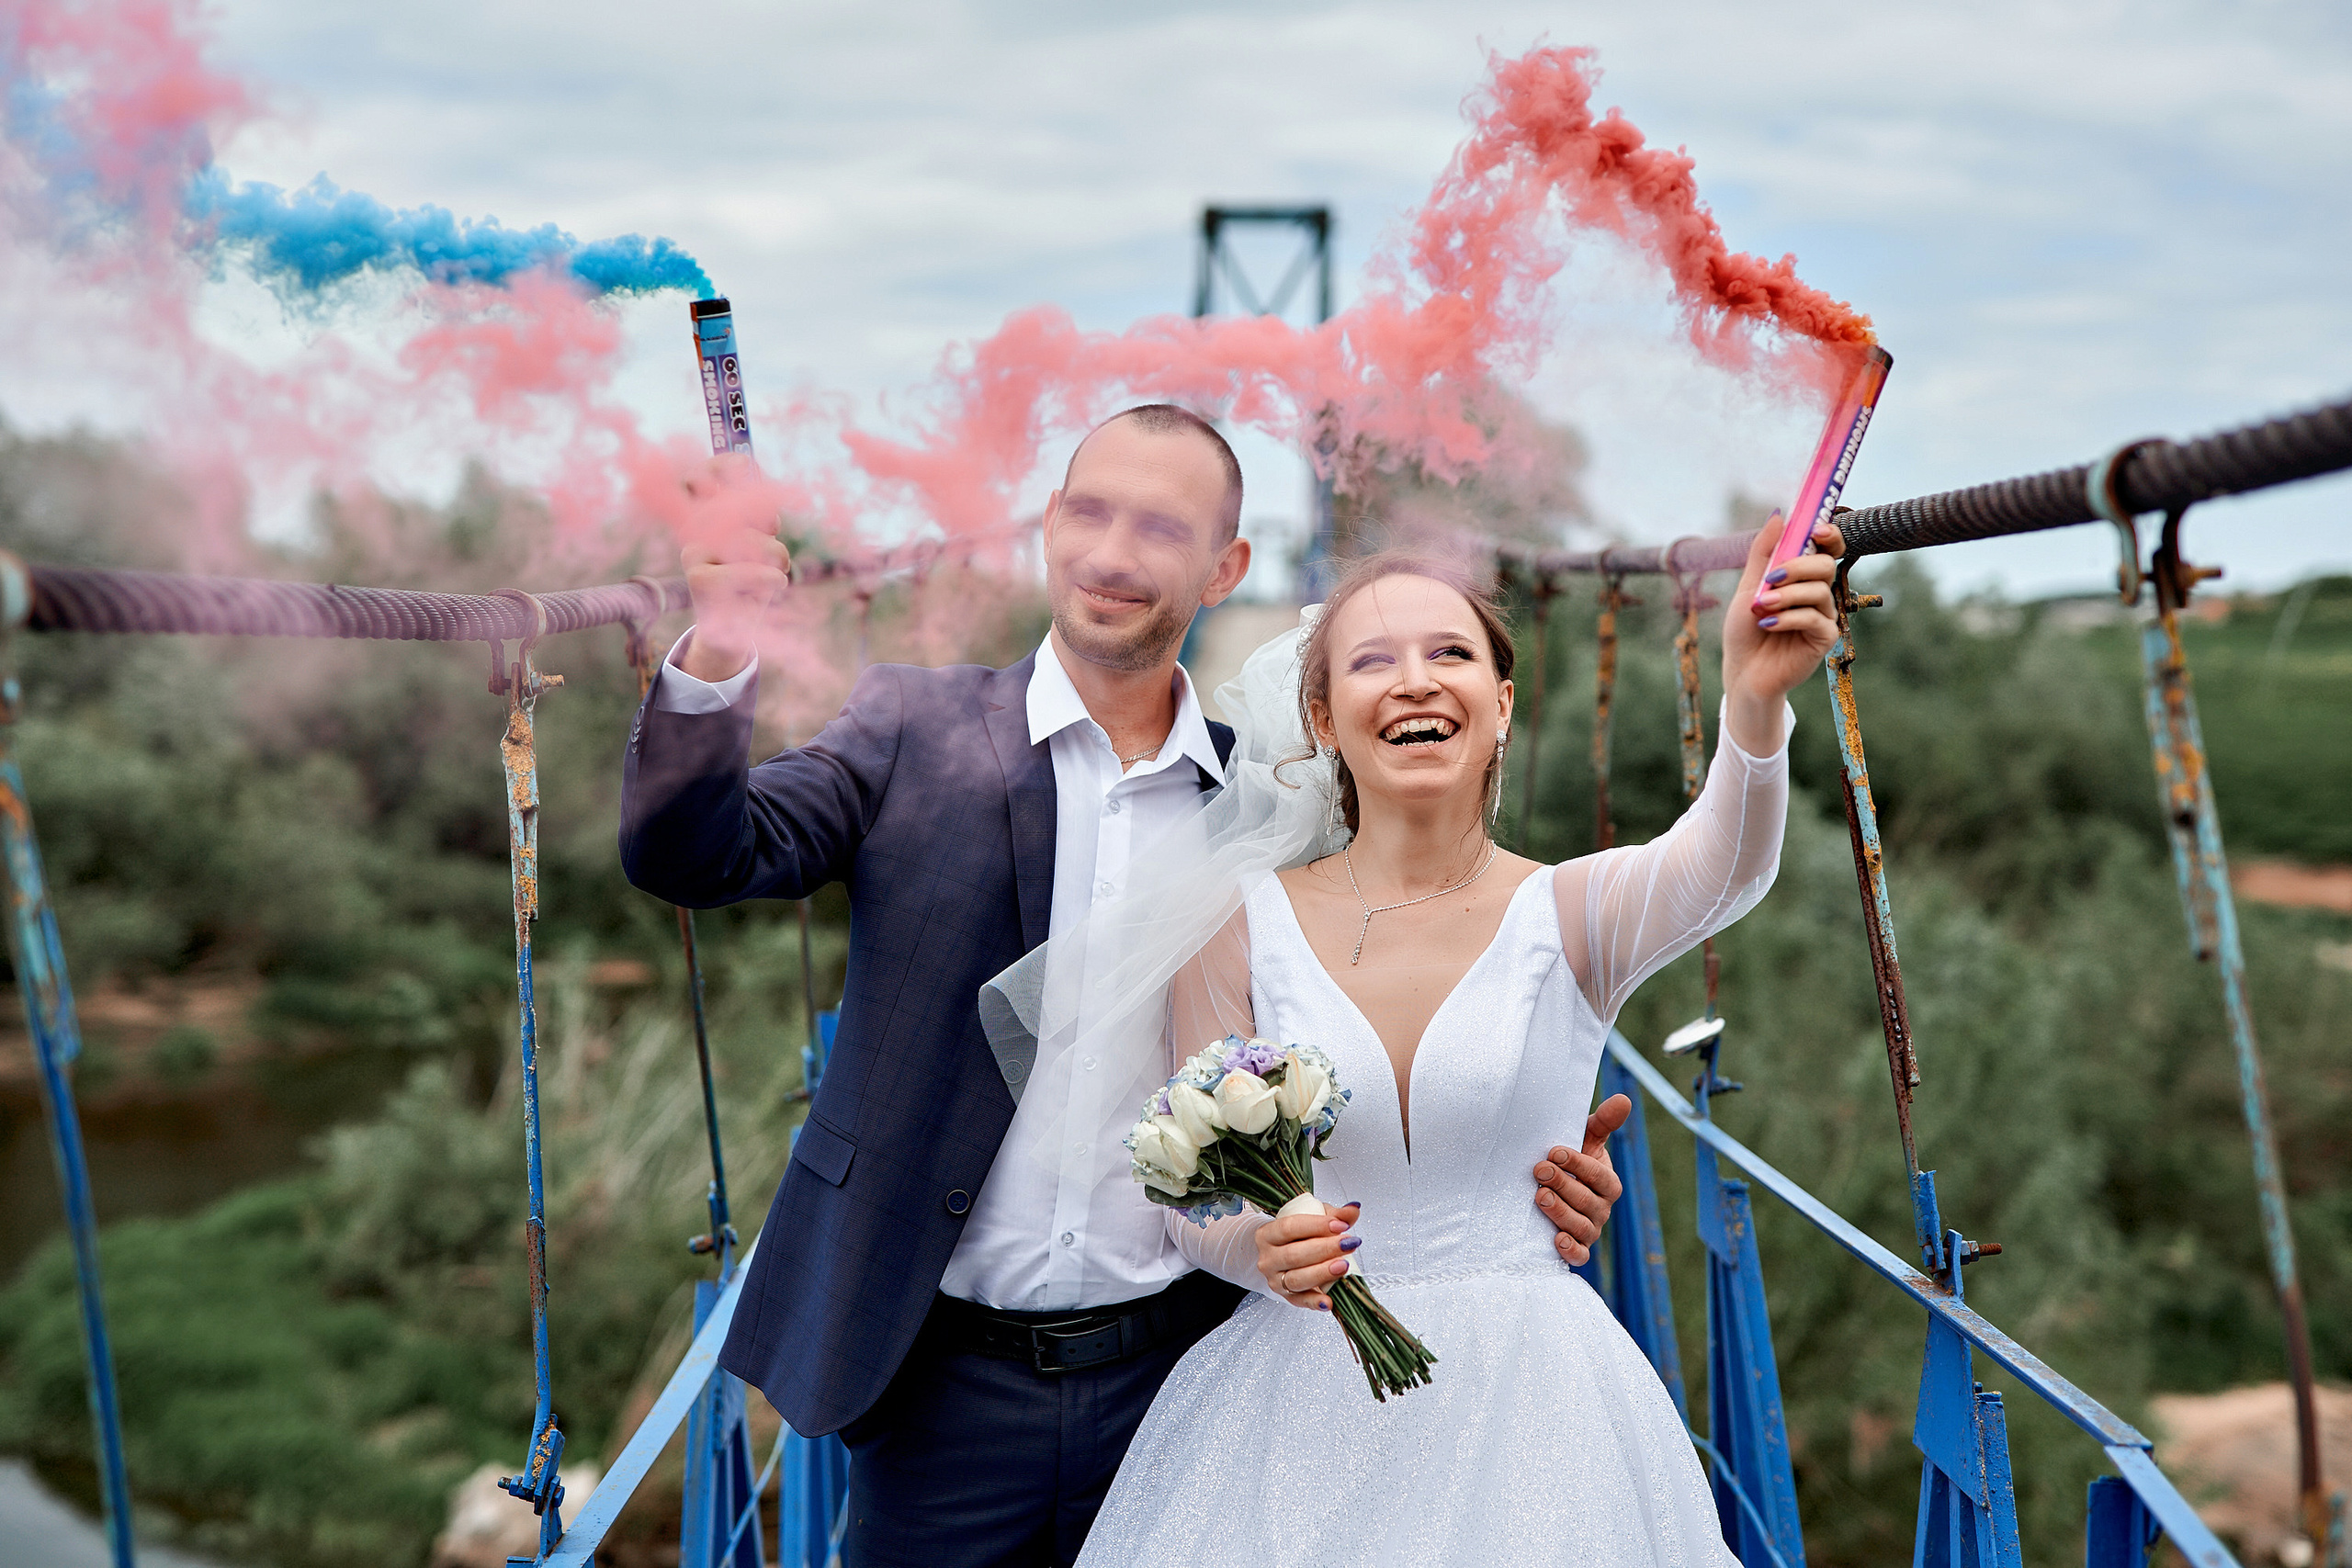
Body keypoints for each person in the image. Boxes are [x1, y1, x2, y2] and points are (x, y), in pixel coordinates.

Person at [617, 403, 1625, 1568]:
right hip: (932, 1380)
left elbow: (1394, 1002)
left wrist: (1522, 1166)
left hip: (1196, 1367)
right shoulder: (909, 726)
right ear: (1049, 524)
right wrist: (720, 650)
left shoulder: (1276, 807)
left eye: (1160, 528)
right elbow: (693, 859)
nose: (1110, 553)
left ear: (1225, 567)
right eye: (1088, 513)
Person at [1071, 520, 1844, 1566]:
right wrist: (1260, 1251)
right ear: (1322, 718)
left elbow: (1727, 865)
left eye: (1450, 652)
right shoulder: (1239, 922)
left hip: (1540, 1411)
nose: (1415, 681)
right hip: (1300, 1410)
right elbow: (1192, 1196)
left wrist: (1753, 697)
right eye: (1371, 661)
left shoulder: (1571, 911)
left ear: (1503, 703)